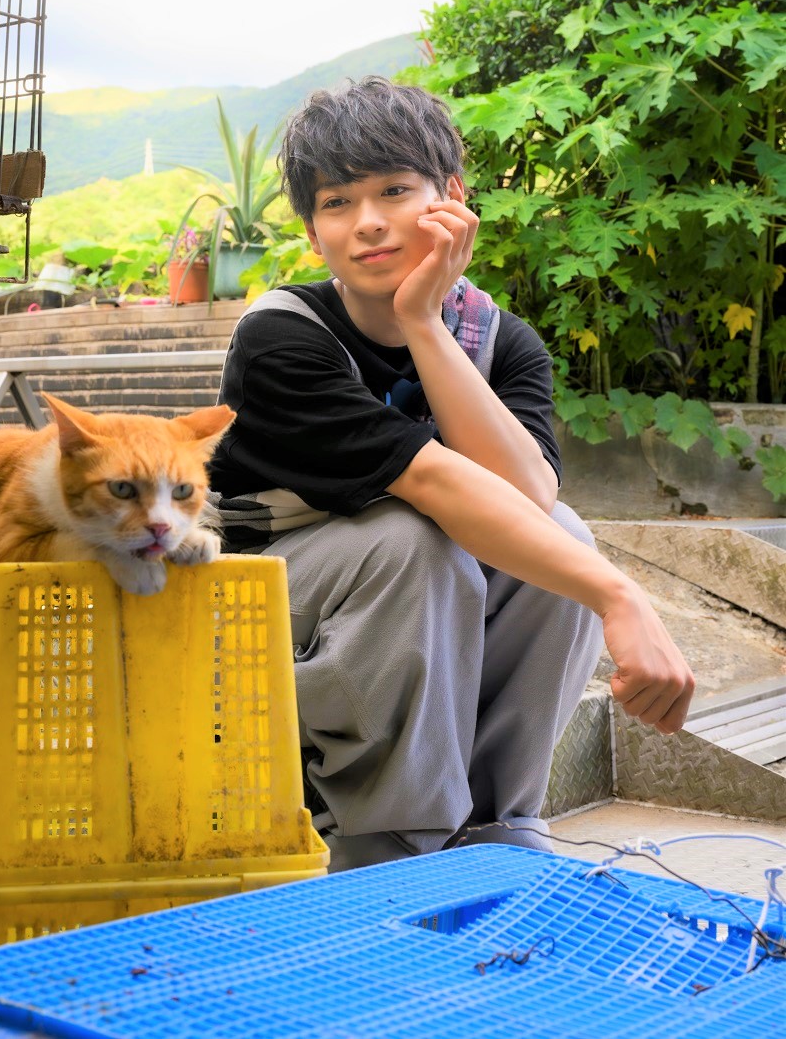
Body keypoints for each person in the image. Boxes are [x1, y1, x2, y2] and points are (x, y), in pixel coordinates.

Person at [209, 76, 694, 872]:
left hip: (403, 616)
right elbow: (432, 485)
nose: (367, 223)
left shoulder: (501, 341)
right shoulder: (281, 338)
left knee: (555, 539)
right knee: (411, 540)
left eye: (395, 190)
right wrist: (619, 593)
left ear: (451, 198)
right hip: (263, 616)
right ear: (312, 228)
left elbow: (531, 500)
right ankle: (390, 844)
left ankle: (499, 826)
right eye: (337, 203)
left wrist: (424, 325)